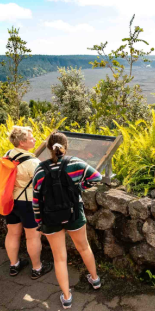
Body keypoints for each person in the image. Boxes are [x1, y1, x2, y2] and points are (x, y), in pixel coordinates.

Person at [32, 131, 102, 310]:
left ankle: (67, 297)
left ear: (48, 148)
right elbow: (97, 177)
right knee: (84, 247)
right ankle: (95, 280)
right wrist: (79, 186)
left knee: (59, 258)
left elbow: (36, 200)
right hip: (74, 214)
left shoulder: (40, 169)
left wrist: (39, 222)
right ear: (66, 146)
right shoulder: (75, 163)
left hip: (50, 218)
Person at [4, 126, 53, 278]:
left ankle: (14, 265)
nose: (35, 140)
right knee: (32, 236)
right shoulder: (33, 162)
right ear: (23, 142)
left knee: (12, 233)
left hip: (10, 200)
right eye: (31, 138)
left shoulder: (8, 155)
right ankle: (37, 268)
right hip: (28, 203)